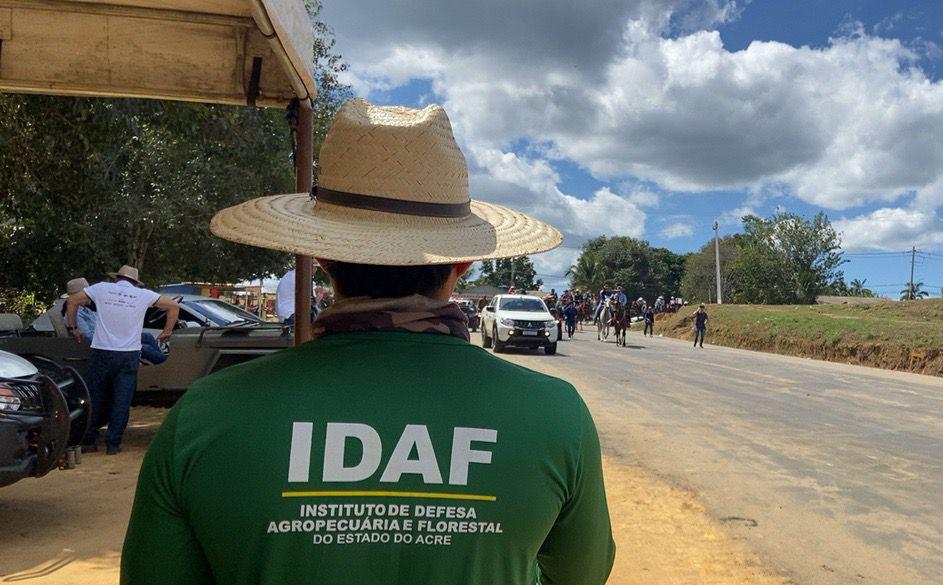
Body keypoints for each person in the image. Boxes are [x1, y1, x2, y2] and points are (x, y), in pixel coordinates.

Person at [123, 100, 614, 585]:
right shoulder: (556, 415)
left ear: (321, 254)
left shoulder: (206, 415)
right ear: (464, 262)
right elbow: (581, 574)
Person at [66, 265, 179, 454]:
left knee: (95, 397)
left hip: (102, 351)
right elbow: (174, 306)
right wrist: (167, 331)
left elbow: (72, 300)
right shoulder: (143, 295)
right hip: (128, 354)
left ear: (116, 278)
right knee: (122, 400)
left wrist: (73, 327)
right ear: (135, 282)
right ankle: (113, 444)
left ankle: (89, 440)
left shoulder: (101, 289)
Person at [65, 277, 168, 366]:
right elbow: (89, 337)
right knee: (145, 348)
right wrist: (116, 337)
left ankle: (163, 364)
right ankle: (166, 366)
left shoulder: (86, 310)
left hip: (110, 338)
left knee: (147, 336)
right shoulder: (77, 314)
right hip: (104, 345)